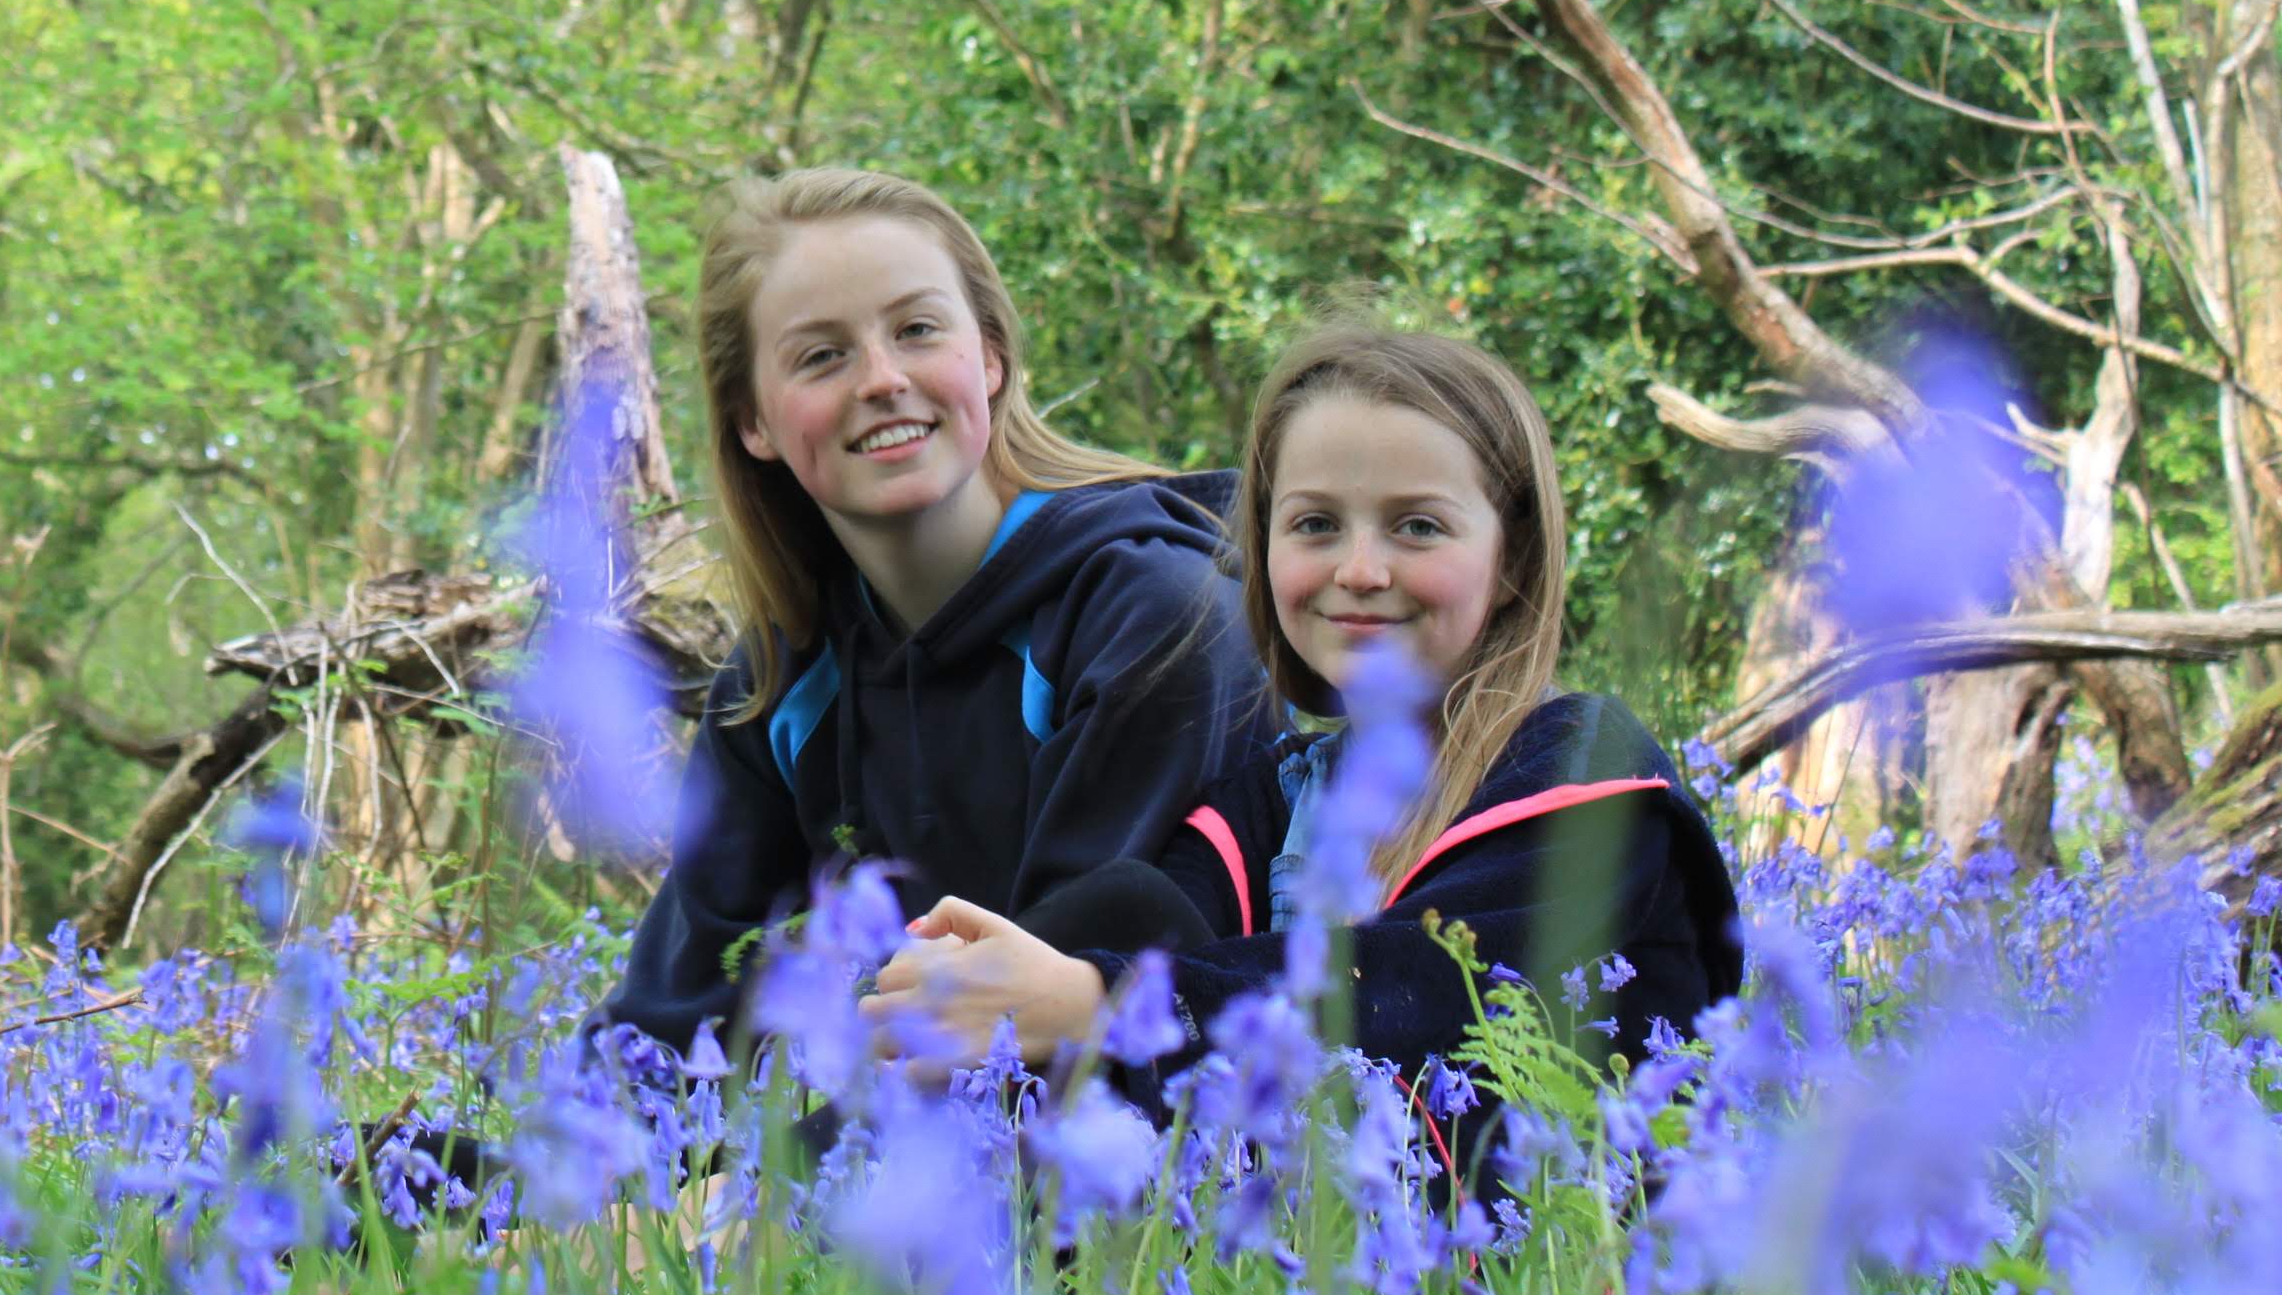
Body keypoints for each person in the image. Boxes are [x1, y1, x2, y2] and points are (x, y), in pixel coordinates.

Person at [600, 168, 1281, 1064]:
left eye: (917, 330)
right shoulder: (784, 683)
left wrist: (764, 1187)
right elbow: (680, 1018)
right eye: (821, 356)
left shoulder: (1160, 618)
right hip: (879, 1152)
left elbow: (1052, 1010)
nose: (882, 380)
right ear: (753, 422)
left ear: (991, 357)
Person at [1134, 320, 1743, 1073]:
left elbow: (1422, 990)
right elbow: (1144, 946)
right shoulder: (1270, 806)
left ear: (1511, 556)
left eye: (1417, 527)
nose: (1359, 571)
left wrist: (1113, 1001)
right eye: (1315, 523)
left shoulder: (1585, 779)